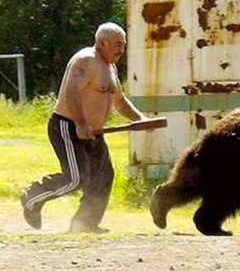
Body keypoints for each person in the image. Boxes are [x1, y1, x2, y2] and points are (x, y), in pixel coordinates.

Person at [21, 22, 148, 233]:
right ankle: (32, 196)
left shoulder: (110, 67)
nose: (121, 50)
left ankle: (85, 224)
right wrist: (80, 123)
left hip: (94, 133)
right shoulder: (85, 61)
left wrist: (141, 119)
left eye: (123, 45)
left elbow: (120, 102)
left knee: (103, 177)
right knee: (76, 178)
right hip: (67, 127)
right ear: (102, 43)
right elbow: (71, 93)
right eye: (118, 45)